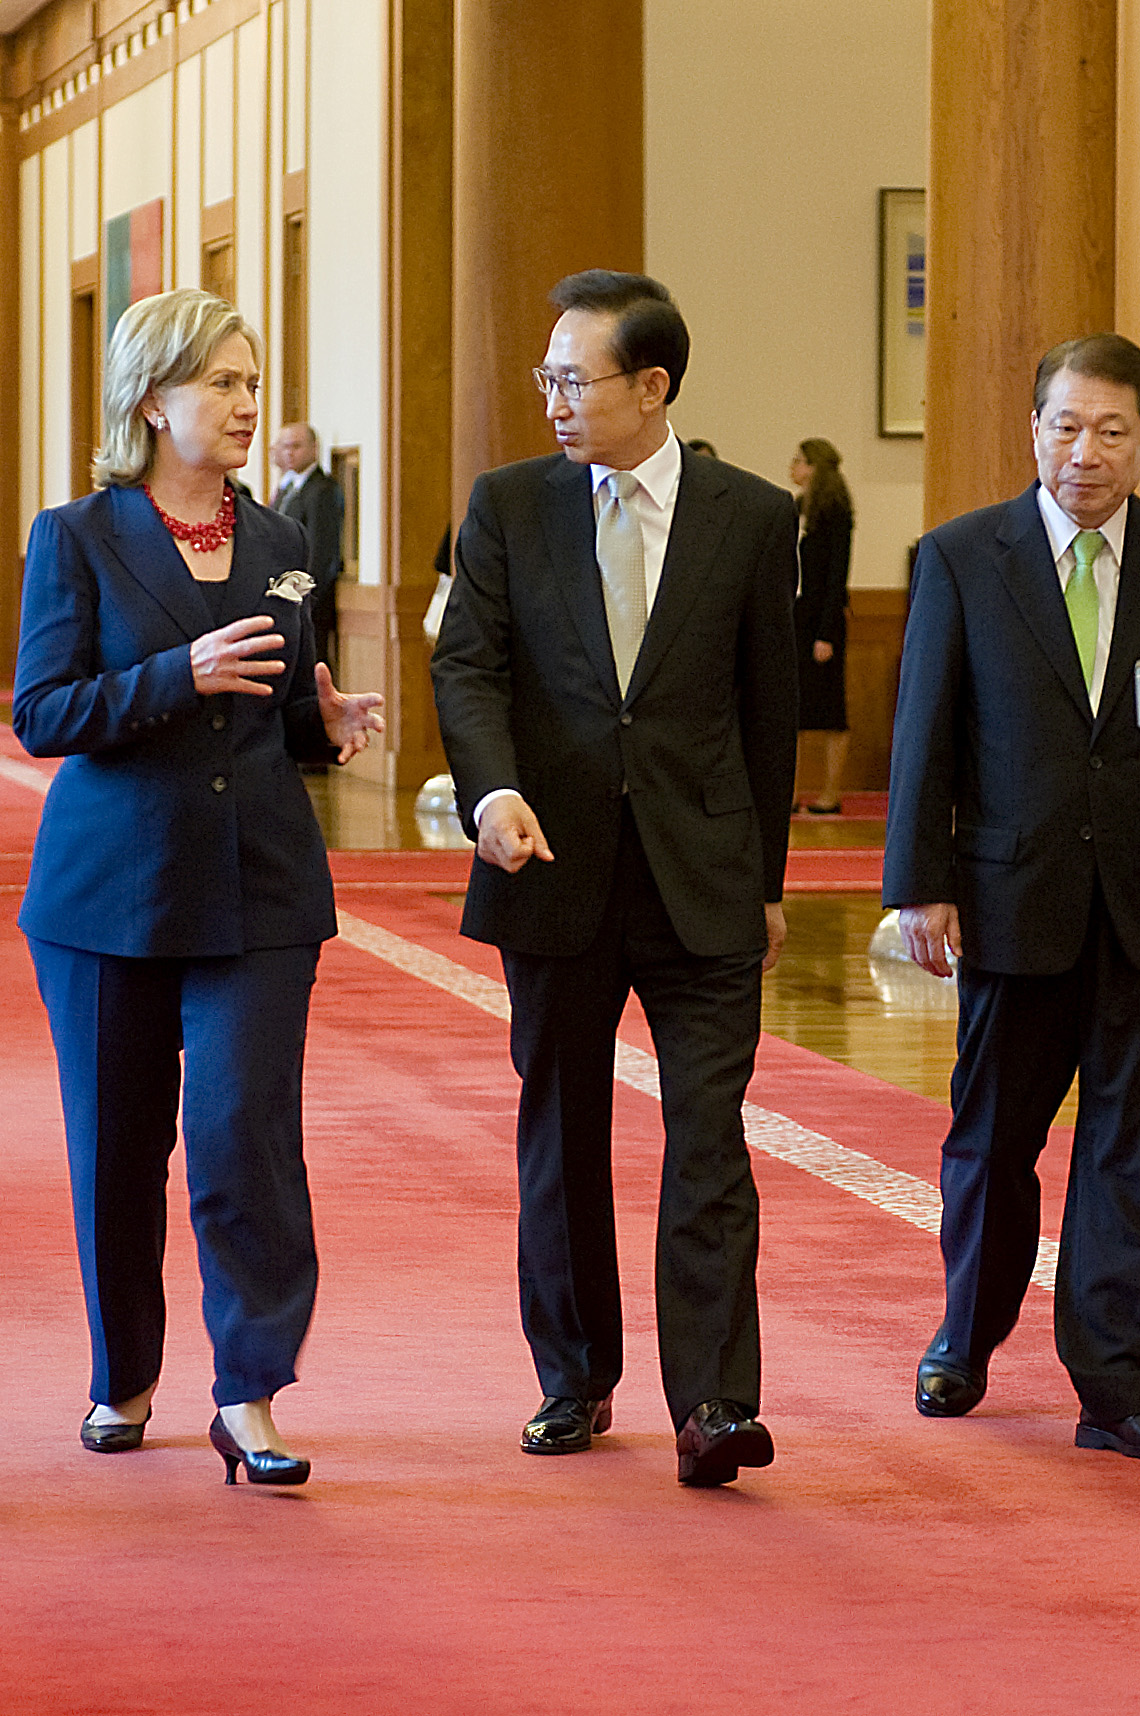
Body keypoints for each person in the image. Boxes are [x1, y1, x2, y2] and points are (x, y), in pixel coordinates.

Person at [430, 269, 799, 1488]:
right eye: (545, 378)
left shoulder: (750, 517)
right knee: (563, 1133)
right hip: (555, 865)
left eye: (571, 379)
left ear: (653, 386)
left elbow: (767, 714)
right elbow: (469, 671)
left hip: (702, 881)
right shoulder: (508, 507)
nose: (552, 401)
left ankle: (714, 1402)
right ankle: (575, 1379)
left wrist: (767, 880)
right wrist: (490, 793)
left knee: (710, 1139)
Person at [15, 288, 384, 1489]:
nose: (244, 402)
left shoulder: (280, 543)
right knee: (119, 1148)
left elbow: (276, 712)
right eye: (220, 382)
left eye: (250, 379)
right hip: (112, 890)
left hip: (263, 888)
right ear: (149, 399)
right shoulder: (77, 536)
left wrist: (326, 727)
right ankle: (123, 1374)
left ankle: (251, 1394)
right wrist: (178, 673)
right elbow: (43, 714)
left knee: (246, 1138)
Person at [885, 333, 1140, 1462]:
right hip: (1007, 897)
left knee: (1131, 1149)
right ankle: (968, 1328)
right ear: (1031, 428)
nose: (1083, 452)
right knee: (994, 1140)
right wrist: (921, 885)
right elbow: (925, 735)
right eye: (1064, 425)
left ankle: (1125, 1381)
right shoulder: (962, 555)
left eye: (1110, 431)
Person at [788, 437, 854, 814]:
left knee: (830, 713)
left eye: (799, 461)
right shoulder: (798, 508)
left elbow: (835, 577)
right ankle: (792, 793)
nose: (793, 467)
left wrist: (826, 633)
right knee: (793, 712)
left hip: (822, 622)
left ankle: (830, 794)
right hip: (798, 618)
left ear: (816, 467)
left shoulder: (835, 511)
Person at [268, 421, 346, 655]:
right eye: (284, 447)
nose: (289, 453)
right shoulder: (287, 488)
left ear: (314, 448)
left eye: (296, 446)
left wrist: (304, 597)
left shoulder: (322, 489)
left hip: (307, 598)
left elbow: (320, 551)